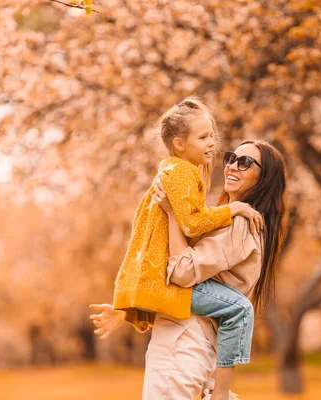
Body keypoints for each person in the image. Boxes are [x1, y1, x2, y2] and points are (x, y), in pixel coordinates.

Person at [91, 140, 288, 400]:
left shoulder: (241, 223)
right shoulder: (229, 218)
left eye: (245, 162)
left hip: (183, 339)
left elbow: (182, 273)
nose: (232, 166)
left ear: (265, 178)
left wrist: (172, 214)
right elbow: (188, 281)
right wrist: (126, 310)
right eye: (231, 158)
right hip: (191, 340)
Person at [109, 96, 263, 399]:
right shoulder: (182, 173)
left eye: (212, 137)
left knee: (238, 309)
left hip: (189, 345)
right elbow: (192, 227)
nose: (214, 146)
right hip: (181, 345)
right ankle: (221, 393)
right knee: (240, 309)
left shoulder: (183, 173)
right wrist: (234, 210)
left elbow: (188, 235)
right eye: (204, 137)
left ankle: (220, 391)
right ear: (180, 144)